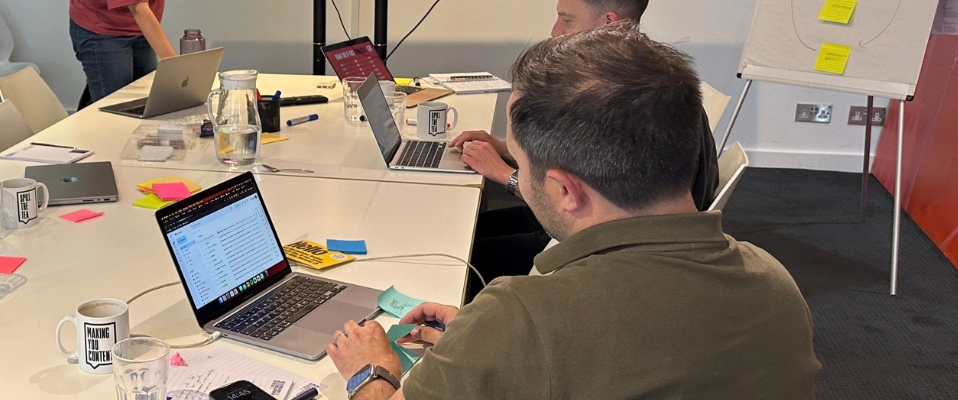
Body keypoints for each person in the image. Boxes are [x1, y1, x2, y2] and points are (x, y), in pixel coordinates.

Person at [326, 28, 820, 400]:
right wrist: (487, 348)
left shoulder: (521, 317)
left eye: (520, 161)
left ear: (566, 190)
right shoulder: (774, 281)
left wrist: (371, 370)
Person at [451, 0, 719, 293]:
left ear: (609, 23)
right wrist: (505, 148)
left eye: (567, 20)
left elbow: (592, 201)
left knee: (459, 252)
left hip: (600, 249)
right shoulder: (652, 82)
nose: (555, 31)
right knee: (469, 231)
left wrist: (506, 174)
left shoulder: (621, 102)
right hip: (614, 237)